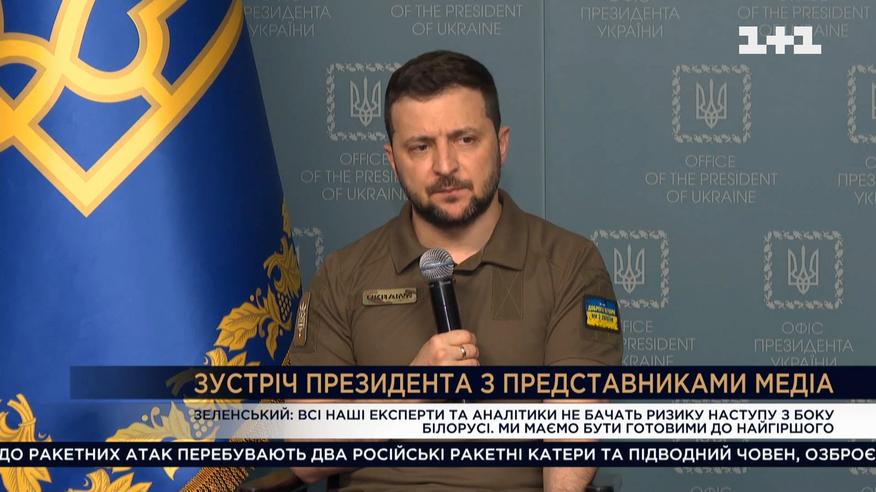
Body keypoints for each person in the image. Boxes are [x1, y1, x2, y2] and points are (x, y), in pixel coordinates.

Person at [287, 50, 622, 491]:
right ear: (392, 159)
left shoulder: (569, 263)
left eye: (465, 139)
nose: (445, 166)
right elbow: (305, 457)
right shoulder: (343, 274)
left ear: (501, 144)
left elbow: (572, 441)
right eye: (421, 146)